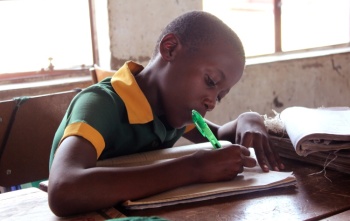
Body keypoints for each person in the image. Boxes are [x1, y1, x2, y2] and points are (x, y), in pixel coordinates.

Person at [48, 10, 284, 217]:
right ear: (170, 49)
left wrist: (247, 119)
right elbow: (64, 189)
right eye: (210, 81)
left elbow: (219, 136)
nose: (212, 103)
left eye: (220, 96)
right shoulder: (101, 103)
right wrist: (194, 169)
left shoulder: (174, 112)